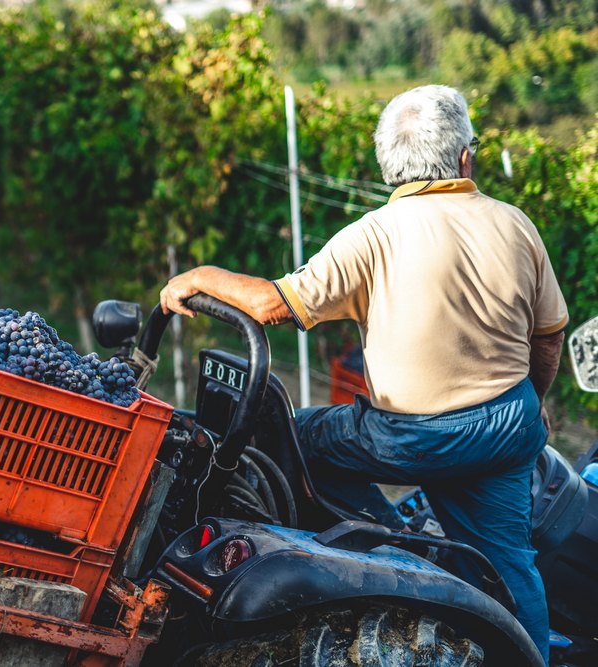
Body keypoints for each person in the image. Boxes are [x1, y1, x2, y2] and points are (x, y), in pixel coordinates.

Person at [159, 84, 566, 664]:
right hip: (505, 428)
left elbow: (277, 305)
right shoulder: (516, 225)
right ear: (464, 158)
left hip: (411, 439)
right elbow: (548, 337)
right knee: (510, 562)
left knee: (296, 439)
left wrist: (201, 276)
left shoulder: (374, 235)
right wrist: (534, 401)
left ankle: (383, 548)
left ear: (388, 166)